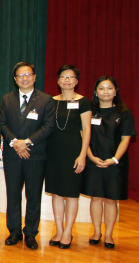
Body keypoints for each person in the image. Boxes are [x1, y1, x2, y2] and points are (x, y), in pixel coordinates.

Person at [0, 62, 55, 250]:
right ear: (15, 80)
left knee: (33, 196)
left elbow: (48, 127)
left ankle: (31, 233)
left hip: (35, 155)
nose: (24, 78)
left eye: (28, 75)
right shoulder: (7, 99)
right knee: (13, 195)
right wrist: (16, 143)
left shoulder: (46, 100)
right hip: (13, 155)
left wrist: (27, 142)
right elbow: (2, 124)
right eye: (20, 76)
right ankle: (14, 231)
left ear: (34, 77)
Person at [82, 76, 136, 249]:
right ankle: (97, 232)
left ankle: (109, 234)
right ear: (96, 92)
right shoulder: (89, 111)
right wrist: (90, 156)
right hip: (93, 162)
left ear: (115, 91)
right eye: (101, 88)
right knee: (96, 198)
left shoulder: (124, 112)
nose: (105, 92)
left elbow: (125, 139)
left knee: (111, 200)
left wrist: (113, 159)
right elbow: (83, 135)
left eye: (109, 88)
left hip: (115, 164)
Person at [45, 65, 91, 249]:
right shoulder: (51, 101)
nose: (67, 80)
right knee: (56, 192)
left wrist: (82, 155)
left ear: (76, 81)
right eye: (63, 77)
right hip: (53, 153)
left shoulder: (83, 102)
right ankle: (58, 229)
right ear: (57, 81)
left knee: (71, 194)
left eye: (71, 77)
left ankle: (68, 231)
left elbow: (87, 129)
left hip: (73, 152)